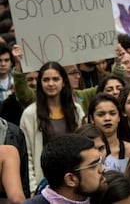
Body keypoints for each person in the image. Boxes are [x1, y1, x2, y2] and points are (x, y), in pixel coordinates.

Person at [20, 61, 85, 194]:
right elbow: (27, 155)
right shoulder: (30, 114)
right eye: (46, 80)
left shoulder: (76, 110)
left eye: (55, 79)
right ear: (40, 83)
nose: (51, 84)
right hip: (44, 185)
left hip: (75, 181)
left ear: (64, 82)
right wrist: (33, 188)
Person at [23, 134, 106, 204]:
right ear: (70, 179)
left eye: (100, 162)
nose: (103, 169)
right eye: (94, 165)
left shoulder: (107, 198)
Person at [88, 92, 130, 172]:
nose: (107, 118)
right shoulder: (84, 151)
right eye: (101, 114)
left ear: (119, 117)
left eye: (112, 113)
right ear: (92, 119)